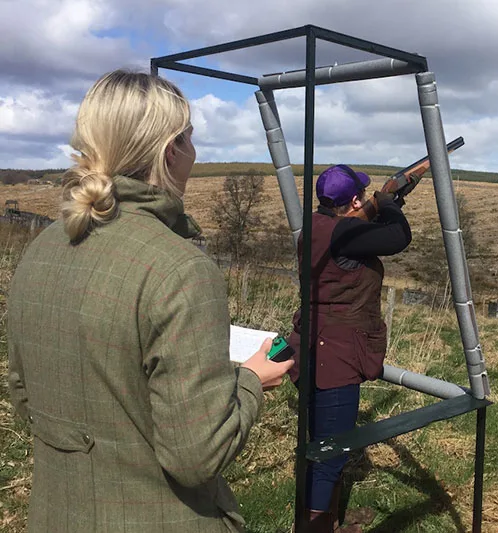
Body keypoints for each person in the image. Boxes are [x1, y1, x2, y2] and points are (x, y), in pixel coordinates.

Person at [6, 69, 294, 533]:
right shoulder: (181, 269)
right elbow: (196, 456)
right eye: (191, 137)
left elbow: (23, 393)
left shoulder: (43, 247)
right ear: (171, 150)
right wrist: (250, 381)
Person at [287, 164, 412, 532]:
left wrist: (383, 202)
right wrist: (389, 203)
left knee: (319, 449)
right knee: (330, 455)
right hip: (336, 357)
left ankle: (330, 521)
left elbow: (355, 236)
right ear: (354, 200)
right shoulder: (345, 234)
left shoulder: (314, 227)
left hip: (309, 348)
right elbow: (399, 237)